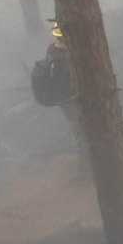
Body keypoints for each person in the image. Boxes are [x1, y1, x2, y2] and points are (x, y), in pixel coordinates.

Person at [46, 22, 89, 175]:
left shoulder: (52, 50)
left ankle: (85, 165)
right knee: (81, 130)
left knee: (79, 130)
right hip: (70, 98)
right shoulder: (66, 53)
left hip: (64, 99)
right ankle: (86, 167)